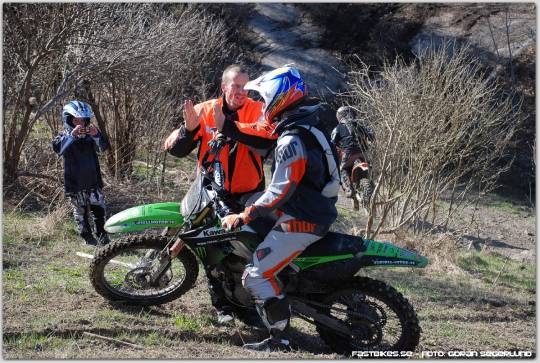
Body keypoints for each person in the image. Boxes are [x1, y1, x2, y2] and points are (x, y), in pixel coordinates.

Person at [219, 66, 340, 352]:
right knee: (252, 209)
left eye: (264, 99)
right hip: (310, 205)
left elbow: (279, 191)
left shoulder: (291, 139)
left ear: (279, 97)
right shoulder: (308, 122)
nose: (261, 105)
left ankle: (280, 340)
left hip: (303, 218)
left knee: (256, 275)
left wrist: (245, 214)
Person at [163, 64, 275, 325]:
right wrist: (188, 131)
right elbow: (177, 151)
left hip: (249, 193)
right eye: (235, 86)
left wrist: (233, 129)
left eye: (245, 87)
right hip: (211, 191)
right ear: (224, 86)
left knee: (246, 249)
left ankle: (249, 304)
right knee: (212, 250)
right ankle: (222, 306)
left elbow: (267, 142)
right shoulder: (203, 110)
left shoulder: (258, 111)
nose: (240, 92)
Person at [52, 100, 110, 246]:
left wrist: (97, 135)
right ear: (68, 119)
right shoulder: (63, 136)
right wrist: (72, 136)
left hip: (93, 180)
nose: (80, 123)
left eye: (83, 120)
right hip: (74, 182)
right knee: (80, 212)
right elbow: (59, 149)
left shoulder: (90, 136)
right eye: (76, 120)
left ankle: (102, 235)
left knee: (99, 210)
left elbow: (103, 147)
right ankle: (87, 237)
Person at [331, 106, 375, 197]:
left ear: (340, 116)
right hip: (364, 152)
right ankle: (371, 183)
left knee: (342, 169)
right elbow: (371, 137)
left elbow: (332, 143)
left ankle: (349, 189)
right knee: (369, 166)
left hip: (349, 153)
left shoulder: (338, 128)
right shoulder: (359, 125)